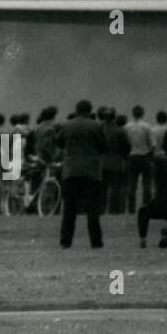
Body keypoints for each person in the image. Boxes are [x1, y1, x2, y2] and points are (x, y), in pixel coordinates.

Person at [57, 100, 107, 248]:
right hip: (91, 172)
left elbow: (59, 142)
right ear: (90, 110)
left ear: (76, 110)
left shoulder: (67, 125)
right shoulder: (96, 126)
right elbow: (104, 147)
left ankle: (65, 242)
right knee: (92, 210)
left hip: (71, 171)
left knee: (69, 210)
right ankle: (96, 242)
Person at [125, 105, 155, 212]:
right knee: (147, 184)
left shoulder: (127, 127)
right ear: (143, 113)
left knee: (132, 184)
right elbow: (152, 144)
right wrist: (150, 156)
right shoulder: (147, 126)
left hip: (132, 156)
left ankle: (131, 209)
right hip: (144, 156)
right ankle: (147, 207)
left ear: (133, 114)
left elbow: (125, 143)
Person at [102, 113, 132, 214]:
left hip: (101, 163)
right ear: (114, 118)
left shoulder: (99, 129)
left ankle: (101, 209)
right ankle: (114, 210)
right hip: (116, 162)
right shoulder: (120, 131)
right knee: (115, 188)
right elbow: (127, 148)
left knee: (102, 188)